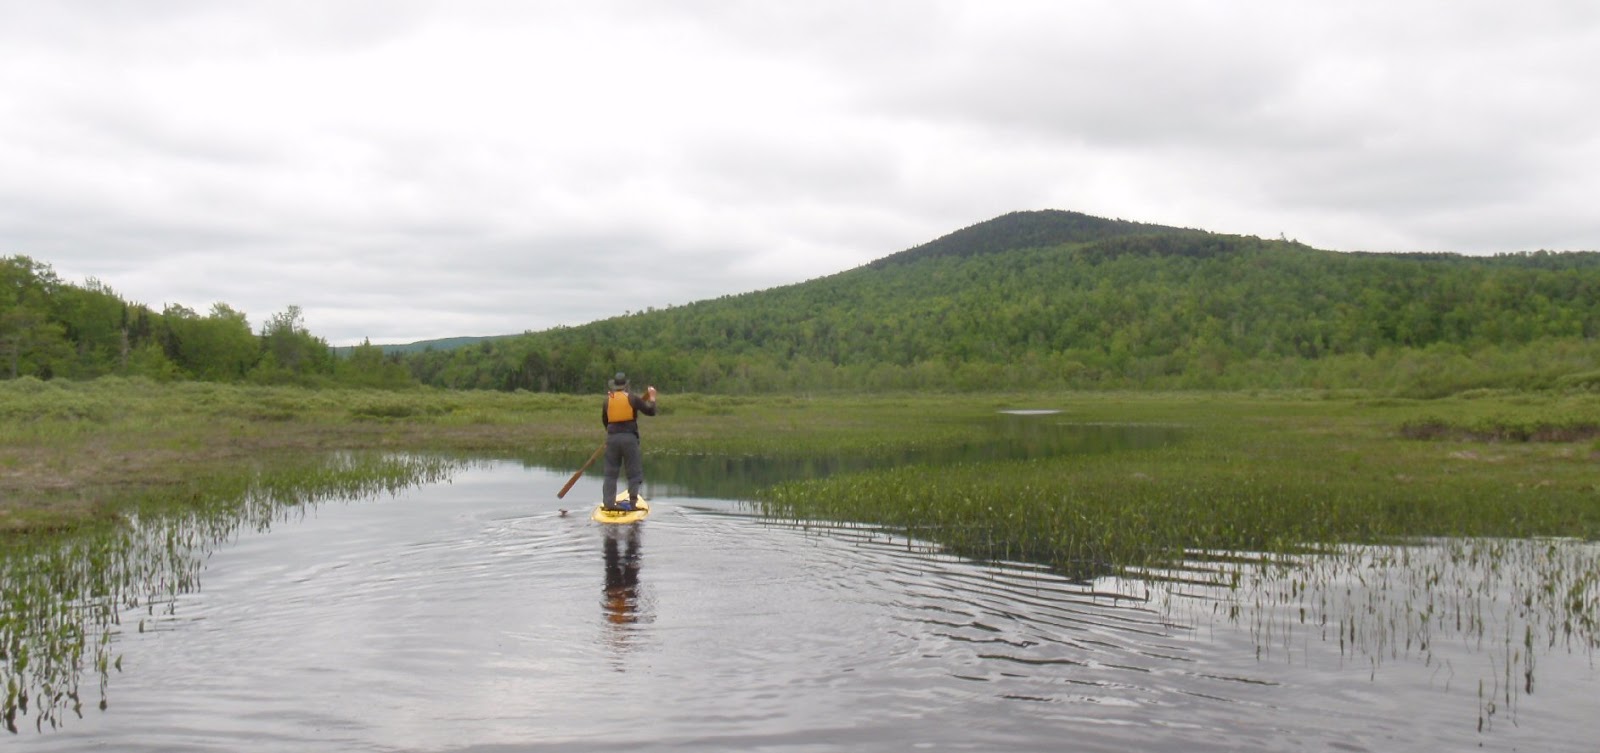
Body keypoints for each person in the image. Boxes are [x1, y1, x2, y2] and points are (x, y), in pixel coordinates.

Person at [600, 371, 657, 511]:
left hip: (612, 439)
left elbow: (605, 421)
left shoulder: (607, 400)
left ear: (614, 386)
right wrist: (652, 398)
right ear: (626, 386)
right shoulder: (633, 398)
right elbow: (651, 411)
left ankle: (609, 504)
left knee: (610, 473)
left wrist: (611, 436)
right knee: (633, 472)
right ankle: (632, 504)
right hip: (629, 439)